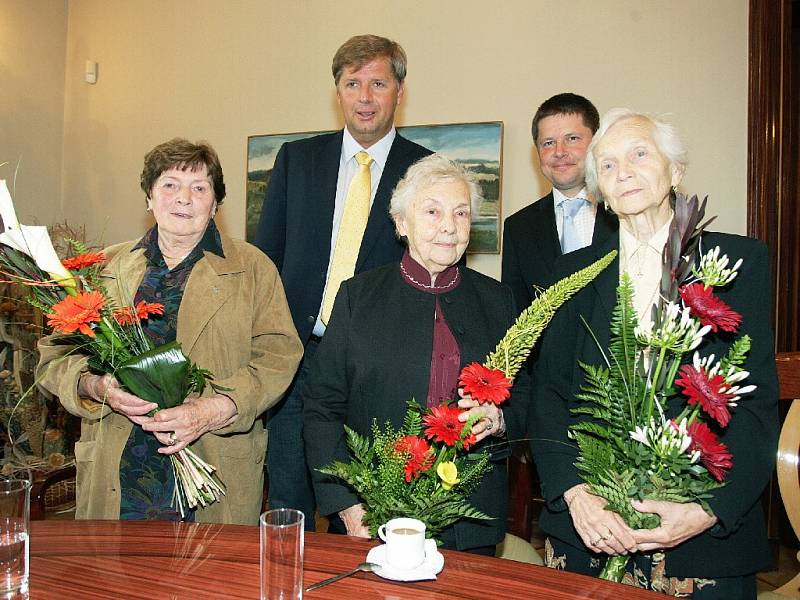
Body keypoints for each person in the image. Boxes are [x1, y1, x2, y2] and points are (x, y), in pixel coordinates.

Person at [528, 109, 778, 598]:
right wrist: (576, 496)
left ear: (675, 170)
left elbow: (754, 406)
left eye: (639, 154)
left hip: (700, 535)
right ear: (599, 189)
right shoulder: (571, 274)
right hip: (591, 530)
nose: (624, 172)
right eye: (608, 165)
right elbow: (550, 395)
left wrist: (706, 509)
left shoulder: (739, 263)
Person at [37, 138, 303, 524]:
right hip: (119, 466)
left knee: (209, 580)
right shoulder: (104, 267)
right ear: (149, 197)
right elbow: (54, 356)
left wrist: (215, 408)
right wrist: (95, 386)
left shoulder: (253, 269)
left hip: (213, 460)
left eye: (200, 188)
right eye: (170, 185)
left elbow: (279, 357)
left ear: (216, 204)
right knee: (115, 580)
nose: (185, 198)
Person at [304, 154, 529, 554]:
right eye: (432, 211)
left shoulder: (498, 300)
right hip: (374, 512)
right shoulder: (358, 296)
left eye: (461, 213)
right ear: (401, 223)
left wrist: (500, 419)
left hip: (470, 518)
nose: (448, 226)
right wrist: (347, 505)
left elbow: (525, 392)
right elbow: (323, 407)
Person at [254, 34, 431, 530]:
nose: (365, 97)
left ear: (399, 90)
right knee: (289, 498)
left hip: (376, 366)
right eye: (352, 84)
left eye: (378, 83)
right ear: (338, 92)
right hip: (297, 362)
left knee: (366, 509)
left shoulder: (424, 169)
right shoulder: (297, 160)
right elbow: (268, 261)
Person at [502, 93, 617, 311]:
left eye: (572, 139)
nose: (559, 152)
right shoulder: (518, 228)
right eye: (548, 143)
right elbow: (515, 316)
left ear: (596, 144)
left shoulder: (626, 214)